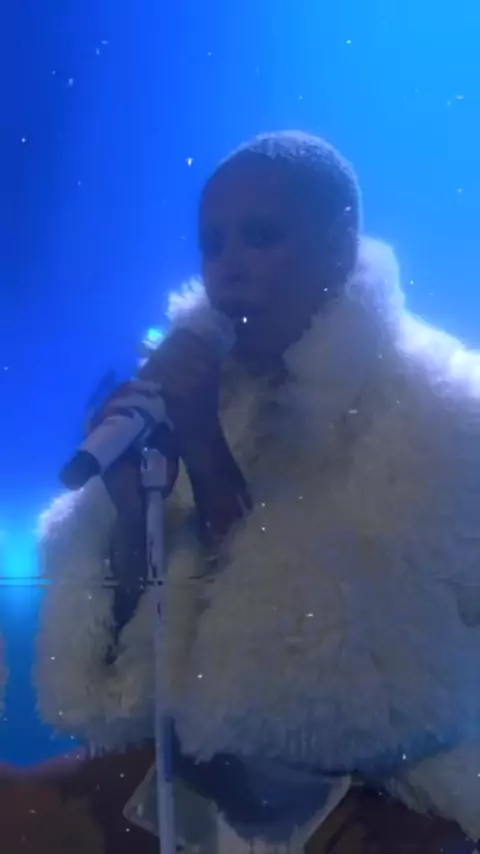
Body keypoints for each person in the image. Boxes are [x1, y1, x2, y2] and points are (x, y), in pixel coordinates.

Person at [35, 130, 480, 850]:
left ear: (339, 246)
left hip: (384, 788)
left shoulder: (444, 415)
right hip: (207, 774)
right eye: (212, 245)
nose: (228, 267)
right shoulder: (194, 389)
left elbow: (347, 656)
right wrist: (131, 512)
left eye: (261, 236)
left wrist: (207, 451)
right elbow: (116, 674)